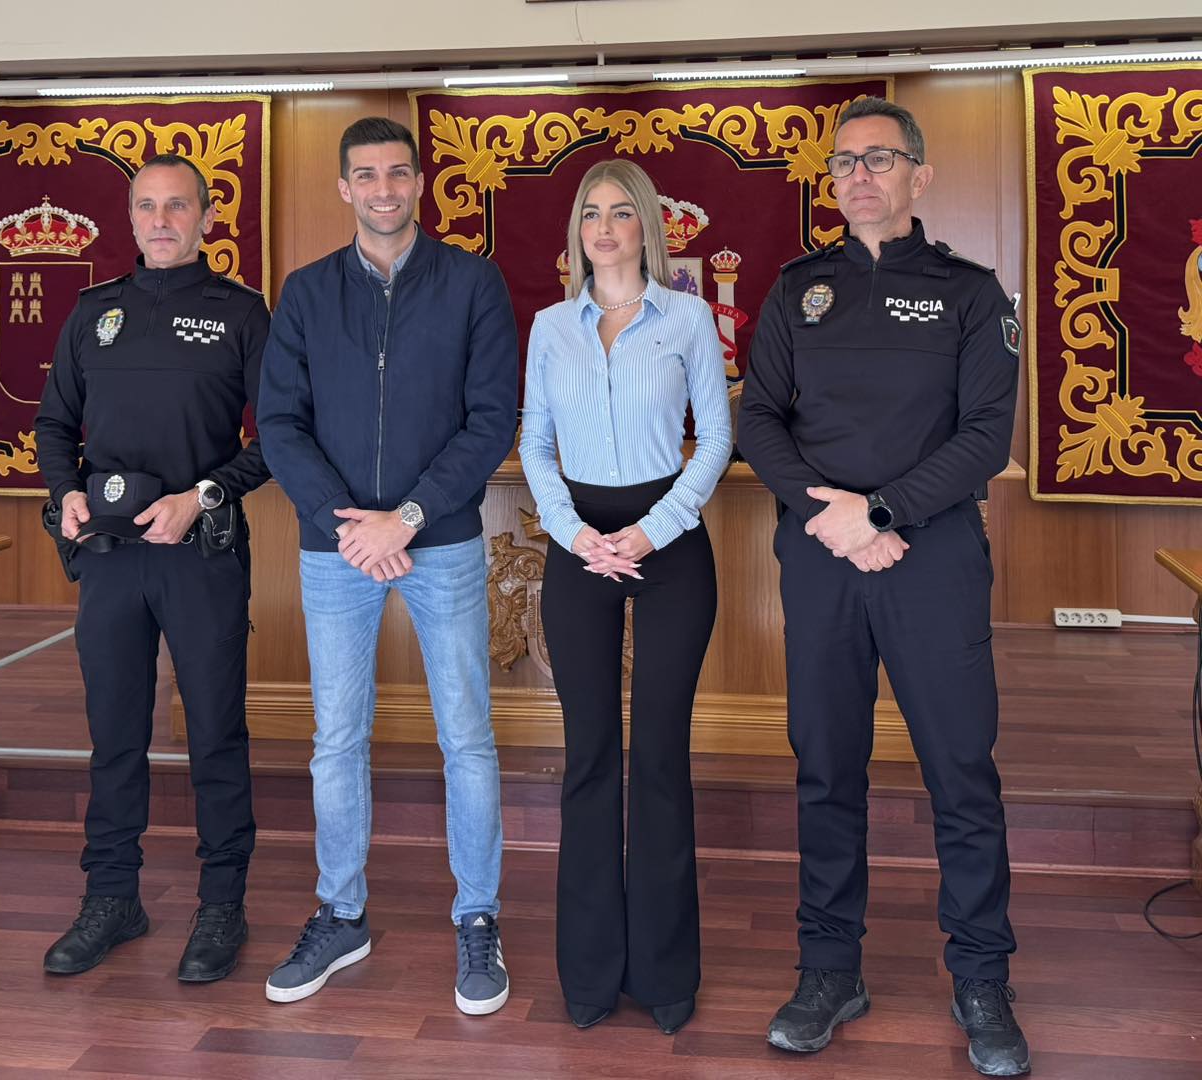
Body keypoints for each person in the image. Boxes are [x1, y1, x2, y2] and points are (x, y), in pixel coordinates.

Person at [738, 97, 1029, 1076]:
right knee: (827, 768)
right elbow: (759, 419)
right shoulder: (797, 290)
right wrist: (833, 518)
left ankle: (982, 977)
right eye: (844, 163)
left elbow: (986, 436)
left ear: (919, 176)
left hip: (932, 558)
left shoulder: (971, 294)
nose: (858, 176)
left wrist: (884, 512)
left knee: (961, 771)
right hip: (823, 556)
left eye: (879, 159)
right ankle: (830, 969)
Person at [256, 116, 518, 1015]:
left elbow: (491, 418)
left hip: (439, 540)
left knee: (466, 738)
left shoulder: (473, 283)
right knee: (337, 740)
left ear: (420, 183)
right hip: (337, 550)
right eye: (365, 175)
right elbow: (280, 423)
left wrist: (404, 517)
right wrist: (350, 525)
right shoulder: (306, 292)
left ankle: (477, 917)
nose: (383, 189)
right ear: (344, 188)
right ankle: (341, 914)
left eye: (398, 173)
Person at [33, 153, 270, 984]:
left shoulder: (241, 313)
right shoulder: (92, 312)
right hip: (108, 561)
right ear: (129, 218)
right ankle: (112, 898)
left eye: (177, 206)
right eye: (147, 206)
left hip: (200, 557)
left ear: (207, 217)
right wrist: (65, 492)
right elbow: (54, 424)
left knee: (215, 735)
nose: (161, 220)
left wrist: (200, 497)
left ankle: (222, 905)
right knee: (115, 736)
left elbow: (279, 436)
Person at [519, 159, 731, 1036]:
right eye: (590, 214)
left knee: (660, 756)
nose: (603, 229)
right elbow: (535, 444)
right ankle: (591, 971)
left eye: (619, 213)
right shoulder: (549, 327)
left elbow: (714, 440)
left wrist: (653, 529)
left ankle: (666, 972)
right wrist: (576, 535)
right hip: (579, 545)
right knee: (591, 755)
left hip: (668, 543)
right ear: (577, 231)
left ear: (647, 225)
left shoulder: (686, 318)